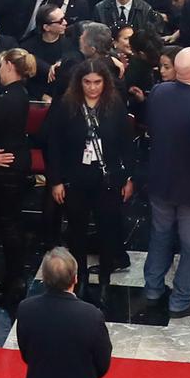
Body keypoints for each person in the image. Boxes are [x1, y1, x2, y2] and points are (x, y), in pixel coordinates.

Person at [44, 63, 133, 297]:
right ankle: (80, 277)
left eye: (97, 82)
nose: (92, 88)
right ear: (79, 82)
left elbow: (126, 144)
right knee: (77, 232)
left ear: (105, 82)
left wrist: (128, 178)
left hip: (108, 178)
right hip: (75, 178)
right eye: (87, 82)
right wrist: (55, 181)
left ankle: (104, 280)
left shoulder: (114, 106)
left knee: (107, 230)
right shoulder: (66, 106)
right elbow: (53, 145)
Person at [14, 248, 111, 378]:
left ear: (45, 279)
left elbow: (26, 353)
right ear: (75, 278)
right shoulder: (91, 316)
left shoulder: (26, 309)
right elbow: (103, 362)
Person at [142, 49, 190, 317]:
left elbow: (150, 129)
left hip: (160, 183)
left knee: (160, 236)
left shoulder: (159, 93)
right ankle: (180, 301)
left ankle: (152, 289)